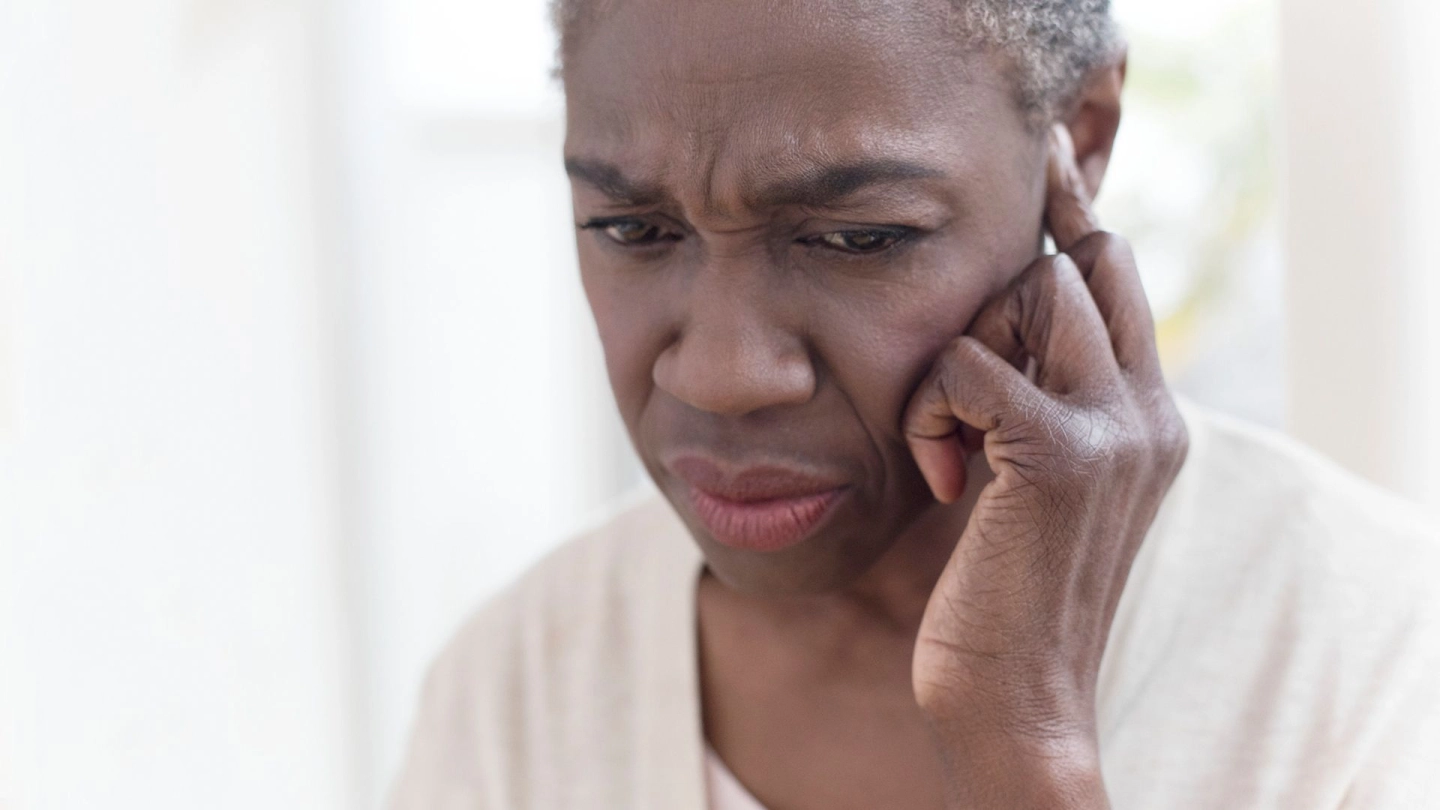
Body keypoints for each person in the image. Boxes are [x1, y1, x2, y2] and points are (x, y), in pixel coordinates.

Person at [388, 0, 1440, 807]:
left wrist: (1022, 753)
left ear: (1079, 140)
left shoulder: (1377, 660)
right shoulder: (520, 687)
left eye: (858, 238)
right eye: (630, 228)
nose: (721, 374)